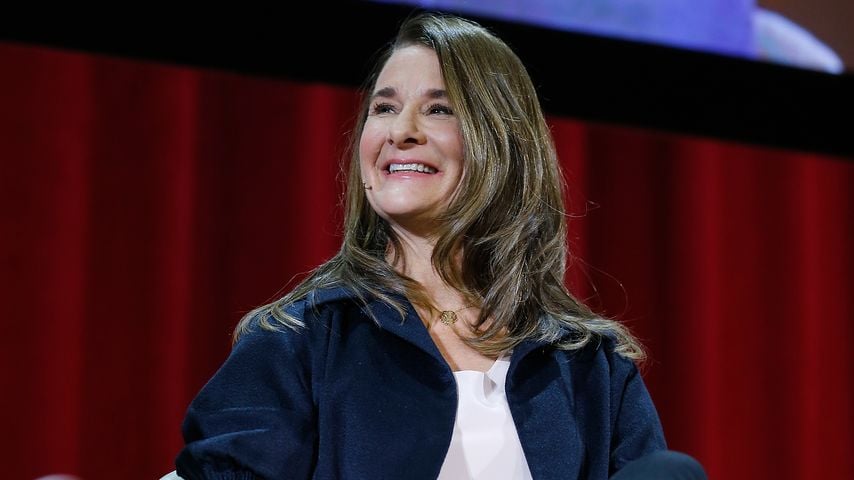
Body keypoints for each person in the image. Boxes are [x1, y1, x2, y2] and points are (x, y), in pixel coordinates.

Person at [173, 12, 705, 480]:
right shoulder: (300, 340)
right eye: (383, 109)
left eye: (438, 109)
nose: (400, 131)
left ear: (502, 142)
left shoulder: (590, 367)